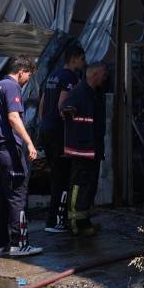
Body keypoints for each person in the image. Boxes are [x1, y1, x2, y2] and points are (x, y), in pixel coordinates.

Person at [0, 56, 42, 258]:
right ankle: (20, 244)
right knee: (18, 194)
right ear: (21, 71)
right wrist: (29, 142)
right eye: (28, 76)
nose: (27, 80)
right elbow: (13, 117)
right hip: (7, 148)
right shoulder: (11, 86)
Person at [38, 44, 85, 233]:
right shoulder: (70, 78)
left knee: (56, 177)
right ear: (74, 58)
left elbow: (43, 103)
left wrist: (45, 123)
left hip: (47, 130)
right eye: (82, 58)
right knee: (63, 178)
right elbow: (62, 105)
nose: (83, 62)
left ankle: (53, 219)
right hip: (59, 133)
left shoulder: (53, 75)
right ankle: (56, 221)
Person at [61, 62, 109, 237]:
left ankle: (85, 220)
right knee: (79, 185)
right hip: (81, 149)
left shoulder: (94, 93)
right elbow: (64, 107)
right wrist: (68, 110)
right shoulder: (79, 92)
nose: (105, 78)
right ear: (95, 74)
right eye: (103, 74)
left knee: (90, 186)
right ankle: (75, 223)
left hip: (92, 149)